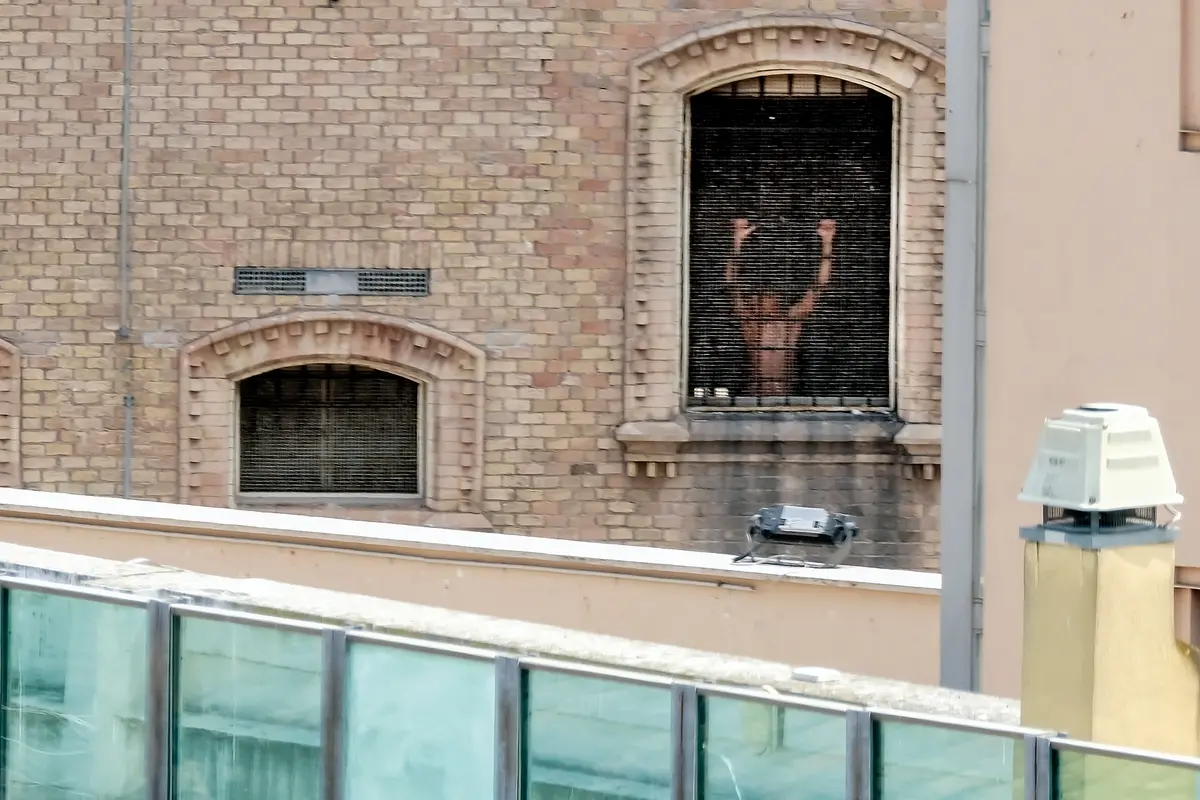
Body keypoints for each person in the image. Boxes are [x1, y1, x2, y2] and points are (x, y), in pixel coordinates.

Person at [724, 215, 836, 397]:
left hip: (784, 398)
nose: (755, 301)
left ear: (777, 303)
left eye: (762, 298)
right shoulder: (752, 325)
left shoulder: (789, 324)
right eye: (754, 299)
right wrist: (736, 242)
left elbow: (819, 287)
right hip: (755, 398)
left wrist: (827, 242)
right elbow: (731, 286)